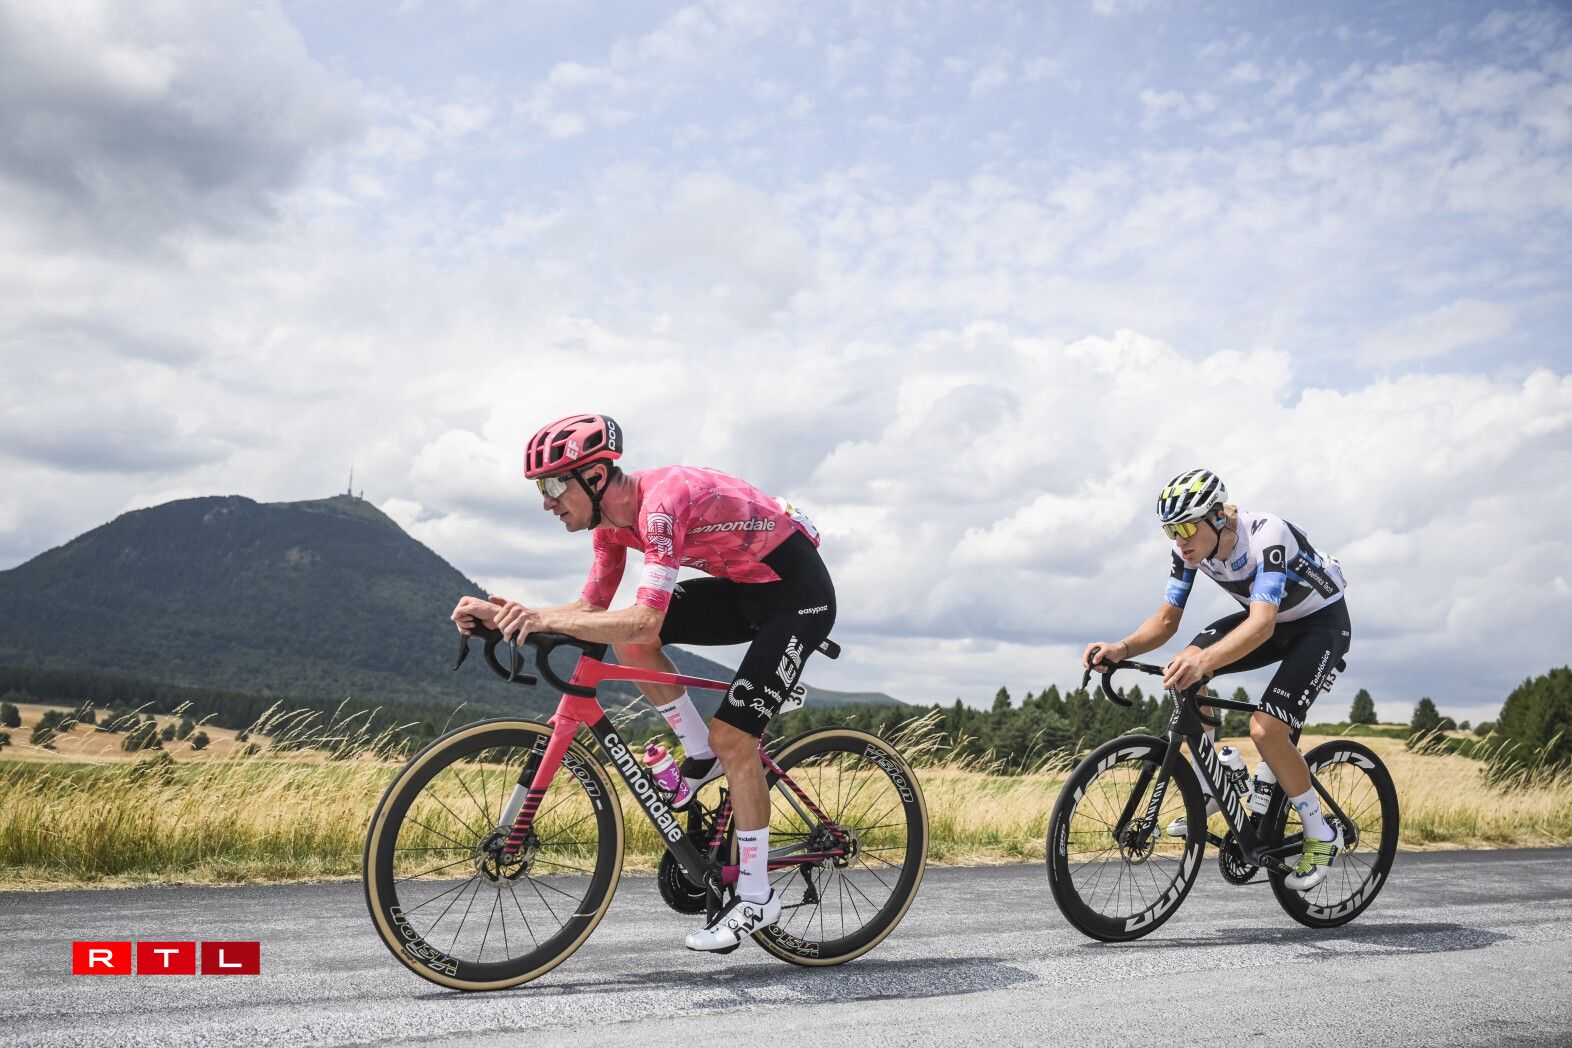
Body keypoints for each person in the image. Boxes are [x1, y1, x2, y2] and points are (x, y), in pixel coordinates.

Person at [449, 414, 836, 951]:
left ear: (594, 477)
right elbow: (592, 611)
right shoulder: (609, 526)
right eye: (541, 489)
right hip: (745, 589)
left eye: (553, 485)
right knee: (629, 642)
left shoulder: (660, 505)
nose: (547, 502)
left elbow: (646, 620)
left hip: (798, 598)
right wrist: (508, 616)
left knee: (733, 737)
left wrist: (537, 619)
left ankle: (755, 895)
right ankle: (700, 754)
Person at [1082, 468, 1352, 891]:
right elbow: (1167, 620)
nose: (1180, 540)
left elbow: (1261, 626)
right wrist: (1122, 648)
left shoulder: (1267, 535)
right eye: (1171, 530)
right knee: (1184, 664)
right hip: (1271, 621)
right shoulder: (1190, 552)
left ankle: (1321, 833)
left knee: (1265, 730)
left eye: (1187, 527)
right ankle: (1210, 784)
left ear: (1218, 516)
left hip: (1320, 626)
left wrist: (1205, 661)